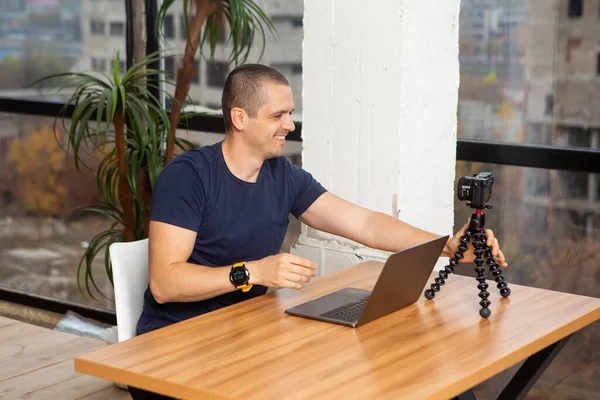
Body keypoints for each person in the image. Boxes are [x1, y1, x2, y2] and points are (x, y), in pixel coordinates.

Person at [128, 64, 508, 400]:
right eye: (278, 115)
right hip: (176, 346)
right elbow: (165, 282)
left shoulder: (283, 176)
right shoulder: (188, 178)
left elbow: (364, 224)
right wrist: (254, 272)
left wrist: (448, 246)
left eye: (290, 113)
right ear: (240, 118)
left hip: (246, 333)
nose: (290, 125)